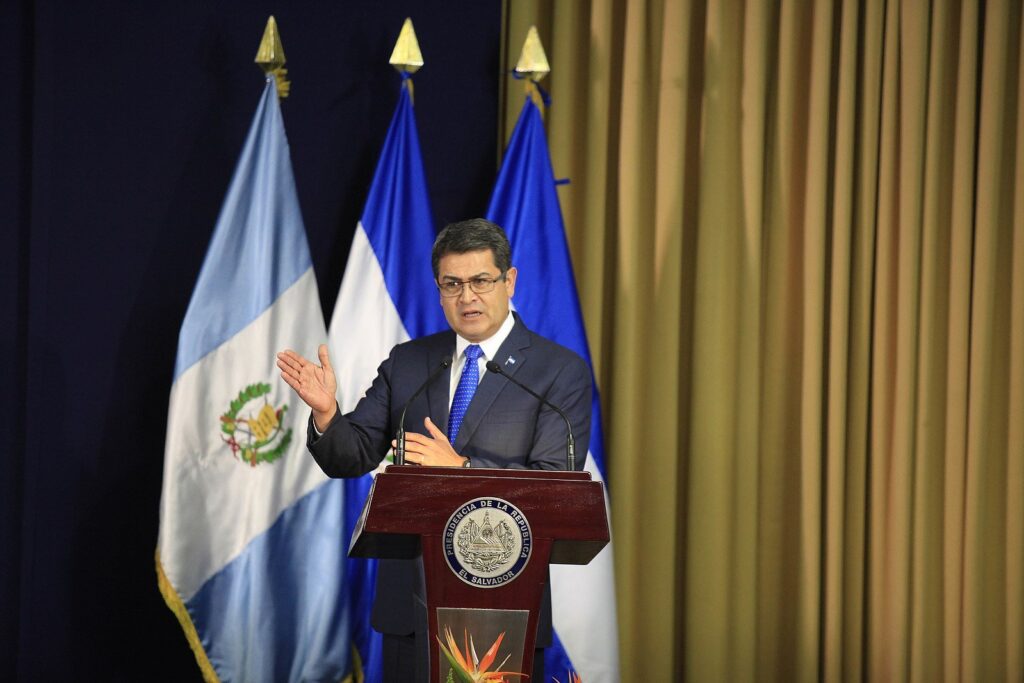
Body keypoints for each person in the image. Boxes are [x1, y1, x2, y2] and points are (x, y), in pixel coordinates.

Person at [277, 218, 591, 682]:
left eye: (481, 281)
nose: (467, 297)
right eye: (452, 284)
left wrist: (461, 469)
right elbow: (352, 455)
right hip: (410, 605)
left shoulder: (558, 371)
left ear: (509, 281)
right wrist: (327, 414)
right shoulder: (410, 361)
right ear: (439, 290)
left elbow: (556, 492)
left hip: (505, 606)